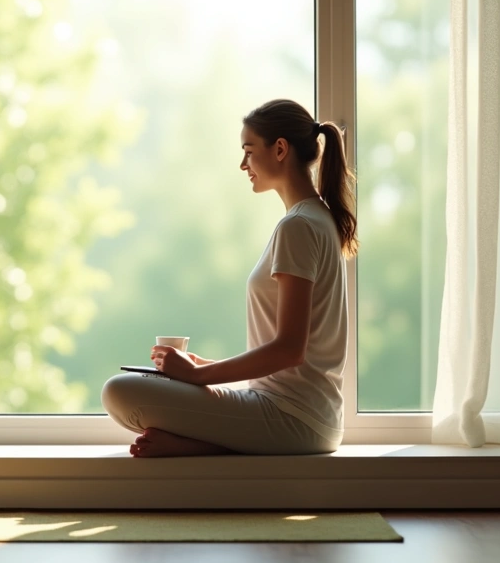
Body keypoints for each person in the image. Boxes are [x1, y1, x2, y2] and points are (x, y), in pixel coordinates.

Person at [101, 99, 357, 457]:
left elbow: (289, 350)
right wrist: (201, 366)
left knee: (118, 392)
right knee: (135, 387)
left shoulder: (298, 226)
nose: (243, 164)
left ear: (280, 149)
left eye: (249, 151)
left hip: (294, 419)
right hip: (307, 416)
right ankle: (200, 443)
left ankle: (199, 446)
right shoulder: (317, 219)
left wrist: (197, 377)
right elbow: (290, 355)